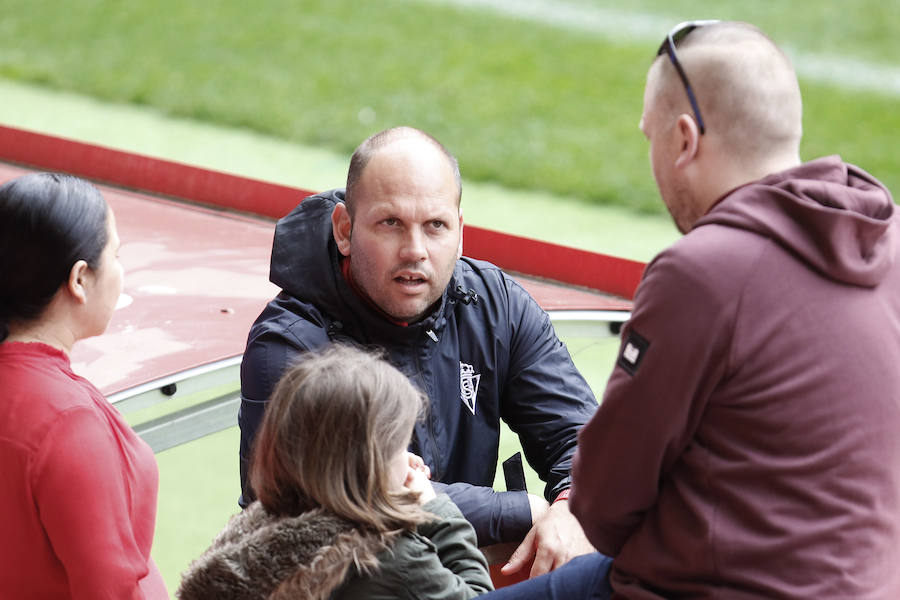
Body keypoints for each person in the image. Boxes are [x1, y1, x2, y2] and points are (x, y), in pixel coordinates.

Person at [566, 20, 900, 598]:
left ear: (685, 139)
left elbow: (602, 504)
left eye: (652, 137)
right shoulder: (890, 245)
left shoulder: (702, 273)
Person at [238, 126, 597, 576]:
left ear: (460, 233)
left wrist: (570, 506)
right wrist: (521, 510)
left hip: (459, 571)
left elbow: (587, 440)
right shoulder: (290, 345)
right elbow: (346, 502)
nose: (415, 251)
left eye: (435, 226)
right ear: (344, 230)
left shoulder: (495, 305)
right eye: (391, 224)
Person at [179, 344, 494, 599]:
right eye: (400, 446)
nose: (410, 458)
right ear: (370, 465)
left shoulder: (257, 533)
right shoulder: (390, 560)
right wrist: (436, 510)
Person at [0, 173, 168, 598]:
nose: (120, 271)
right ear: (79, 279)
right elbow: (107, 587)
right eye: (114, 254)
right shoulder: (67, 422)